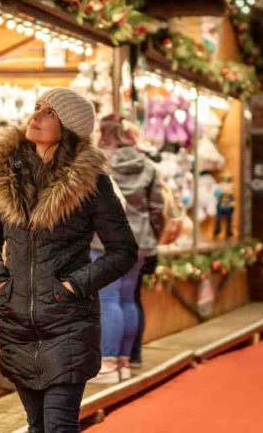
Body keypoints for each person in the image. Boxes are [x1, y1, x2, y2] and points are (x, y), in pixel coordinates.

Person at [0, 88, 138, 433]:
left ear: (69, 127)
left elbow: (123, 250)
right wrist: (0, 283)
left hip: (68, 322)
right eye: (36, 108)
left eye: (49, 113)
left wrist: (74, 284)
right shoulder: (6, 179)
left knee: (59, 425)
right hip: (17, 323)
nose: (35, 117)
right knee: (37, 426)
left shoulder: (90, 183)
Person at [91, 115, 165, 382]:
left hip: (105, 242)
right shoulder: (147, 164)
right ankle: (124, 362)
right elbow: (157, 208)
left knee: (107, 300)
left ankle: (108, 365)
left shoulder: (97, 162)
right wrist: (152, 236)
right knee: (127, 299)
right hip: (140, 241)